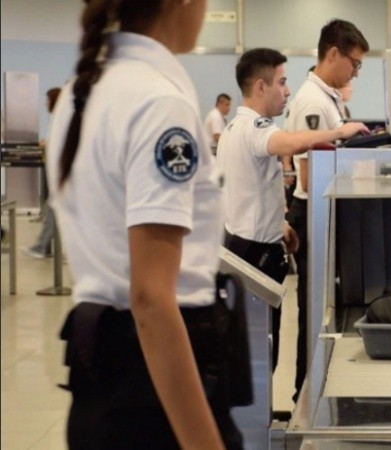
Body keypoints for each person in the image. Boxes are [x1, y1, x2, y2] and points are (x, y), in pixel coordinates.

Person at [46, 1, 242, 448]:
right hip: (154, 391)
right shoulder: (160, 102)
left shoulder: (83, 91)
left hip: (101, 376)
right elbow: (151, 298)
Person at [216, 48, 367, 383]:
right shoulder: (256, 128)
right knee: (257, 356)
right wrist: (339, 132)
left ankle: (256, 426)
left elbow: (249, 191)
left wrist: (280, 224)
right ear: (260, 87)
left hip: (248, 242)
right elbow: (290, 143)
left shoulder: (234, 128)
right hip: (254, 257)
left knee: (257, 351)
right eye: (281, 82)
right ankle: (252, 432)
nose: (287, 91)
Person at [283, 18, 369, 404]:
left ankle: (321, 393)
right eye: (354, 62)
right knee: (313, 312)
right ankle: (307, 395)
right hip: (315, 215)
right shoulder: (312, 101)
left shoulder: (329, 97)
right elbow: (309, 171)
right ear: (332, 54)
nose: (355, 70)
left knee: (326, 311)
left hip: (326, 213)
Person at [24, 87, 61, 259]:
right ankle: (43, 247)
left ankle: (41, 247)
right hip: (59, 175)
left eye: (47, 100)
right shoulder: (57, 120)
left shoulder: (62, 120)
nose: (45, 103)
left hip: (63, 176)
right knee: (50, 209)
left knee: (51, 209)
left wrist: (48, 145)